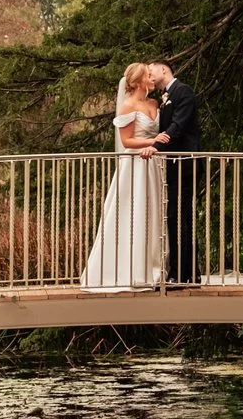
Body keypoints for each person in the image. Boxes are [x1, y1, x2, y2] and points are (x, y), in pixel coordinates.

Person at [81, 61, 168, 289]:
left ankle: (154, 267)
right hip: (136, 164)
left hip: (154, 165)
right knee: (134, 210)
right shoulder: (127, 106)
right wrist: (153, 141)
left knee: (154, 211)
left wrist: (157, 145)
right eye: (148, 75)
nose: (152, 77)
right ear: (139, 81)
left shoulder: (154, 102)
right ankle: (128, 269)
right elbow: (127, 140)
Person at [153, 62, 204, 283]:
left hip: (186, 164)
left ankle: (181, 273)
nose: (149, 75)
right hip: (173, 165)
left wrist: (155, 147)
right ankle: (190, 272)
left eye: (150, 71)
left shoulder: (183, 91)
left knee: (179, 216)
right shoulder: (163, 98)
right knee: (178, 217)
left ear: (163, 69)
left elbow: (178, 126)